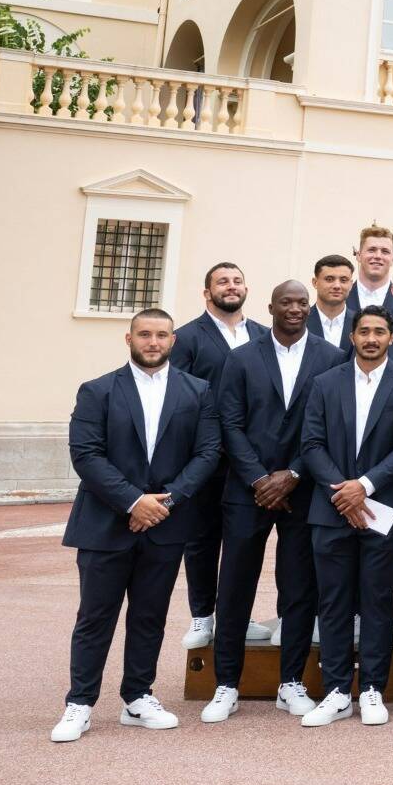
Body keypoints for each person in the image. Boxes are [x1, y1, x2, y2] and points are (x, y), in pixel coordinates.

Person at [50, 308, 222, 744]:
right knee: (95, 617)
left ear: (172, 341)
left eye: (161, 335)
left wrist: (167, 501)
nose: (153, 342)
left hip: (166, 521)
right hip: (106, 525)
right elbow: (86, 455)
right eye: (144, 334)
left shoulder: (198, 392)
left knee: (150, 616)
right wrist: (132, 500)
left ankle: (138, 697)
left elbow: (207, 453)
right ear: (129, 339)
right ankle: (80, 703)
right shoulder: (97, 390)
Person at [202, 280, 343, 724]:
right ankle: (226, 684)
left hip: (304, 491)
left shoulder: (331, 358)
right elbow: (229, 421)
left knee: (300, 588)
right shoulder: (241, 358)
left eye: (303, 302)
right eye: (288, 302)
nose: (296, 309)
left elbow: (327, 427)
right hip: (248, 492)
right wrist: (260, 477)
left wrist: (294, 473)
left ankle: (291, 683)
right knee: (235, 586)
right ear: (271, 307)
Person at [298, 306, 393, 727]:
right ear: (351, 336)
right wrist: (343, 491)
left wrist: (364, 487)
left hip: (381, 509)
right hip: (331, 508)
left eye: (380, 332)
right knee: (332, 602)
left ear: (392, 337)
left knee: (377, 600)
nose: (372, 338)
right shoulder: (323, 383)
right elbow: (311, 444)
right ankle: (336, 691)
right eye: (364, 331)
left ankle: (372, 688)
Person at [167, 262, 266, 651]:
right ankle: (202, 614)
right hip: (206, 457)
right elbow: (179, 395)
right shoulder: (187, 338)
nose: (231, 286)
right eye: (222, 282)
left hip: (248, 459)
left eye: (237, 280)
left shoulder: (261, 335)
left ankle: (235, 616)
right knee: (202, 540)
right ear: (207, 292)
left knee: (243, 544)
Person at [306, 254, 358, 353]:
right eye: (329, 279)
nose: (337, 286)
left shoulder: (361, 323)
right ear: (315, 282)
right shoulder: (301, 322)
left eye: (343, 280)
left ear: (351, 284)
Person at [352, 223, 393, 315]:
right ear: (358, 256)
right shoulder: (340, 298)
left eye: (385, 251)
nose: (378, 256)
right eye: (371, 250)